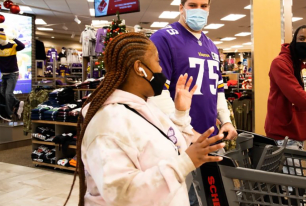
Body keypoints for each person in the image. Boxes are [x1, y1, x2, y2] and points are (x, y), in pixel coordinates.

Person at [64, 32, 226, 206]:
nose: (161, 69)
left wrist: (180, 113)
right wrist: (184, 164)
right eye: (157, 62)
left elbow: (172, 146)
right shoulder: (106, 125)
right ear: (139, 68)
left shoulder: (144, 108)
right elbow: (122, 193)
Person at [149, 0, 237, 205]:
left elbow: (217, 89)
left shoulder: (211, 45)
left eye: (204, 6)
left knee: (208, 197)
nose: (199, 10)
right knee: (180, 198)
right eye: (193, 5)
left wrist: (225, 121)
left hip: (209, 138)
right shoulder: (163, 38)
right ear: (181, 7)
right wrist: (188, 133)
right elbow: (158, 92)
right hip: (177, 141)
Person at [0, 28, 25, 121]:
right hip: (4, 74)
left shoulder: (12, 46)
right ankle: (17, 103)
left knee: (8, 93)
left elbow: (22, 46)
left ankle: (9, 113)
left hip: (12, 74)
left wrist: (14, 38)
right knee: (3, 93)